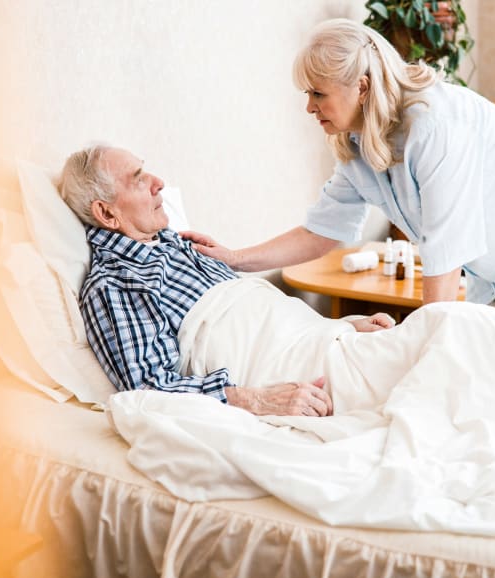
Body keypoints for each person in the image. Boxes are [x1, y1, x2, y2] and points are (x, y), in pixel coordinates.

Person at [182, 18, 495, 330]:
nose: (309, 107)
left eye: (318, 93)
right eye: (306, 94)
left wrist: (421, 348)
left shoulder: (433, 124)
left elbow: (445, 256)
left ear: (363, 88)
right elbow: (320, 233)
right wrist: (234, 258)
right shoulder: (356, 145)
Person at [57, 145, 394, 417]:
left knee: (433, 337)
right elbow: (149, 389)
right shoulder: (115, 284)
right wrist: (257, 401)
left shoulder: (180, 243)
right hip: (293, 371)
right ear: (106, 213)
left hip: (323, 341)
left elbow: (264, 321)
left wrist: (344, 326)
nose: (158, 182)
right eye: (138, 179)